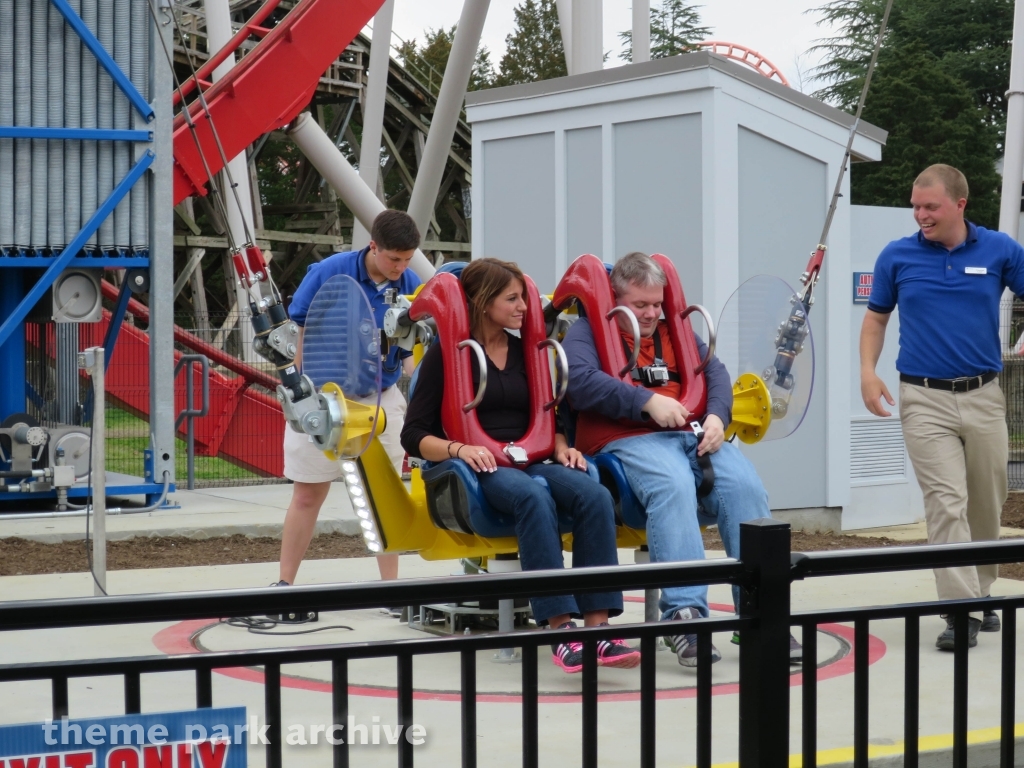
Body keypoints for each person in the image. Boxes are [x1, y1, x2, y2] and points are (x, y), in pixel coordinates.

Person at [400, 257, 640, 674]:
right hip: (483, 468)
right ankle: (561, 630)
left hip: (535, 458)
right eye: (512, 299)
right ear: (481, 302)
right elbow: (413, 434)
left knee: (593, 495)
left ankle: (599, 630)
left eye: (522, 298)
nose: (524, 308)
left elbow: (553, 416)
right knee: (532, 498)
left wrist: (563, 445)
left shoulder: (528, 352)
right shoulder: (445, 356)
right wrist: (458, 449)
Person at [563, 251, 800, 667]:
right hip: (628, 437)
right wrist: (645, 401)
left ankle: (762, 608)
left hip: (690, 433)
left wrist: (717, 416)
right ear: (615, 299)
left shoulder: (678, 330)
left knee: (745, 486)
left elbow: (715, 374)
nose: (652, 313)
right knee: (671, 483)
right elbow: (579, 383)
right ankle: (684, 617)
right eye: (640, 305)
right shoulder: (586, 332)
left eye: (657, 303)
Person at [860, 164, 1024, 651]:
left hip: (983, 396)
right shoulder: (897, 255)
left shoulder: (1000, 250)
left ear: (960, 204)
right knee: (946, 503)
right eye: (916, 206)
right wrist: (868, 373)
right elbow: (875, 320)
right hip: (923, 397)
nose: (920, 215)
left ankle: (981, 590)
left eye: (930, 207)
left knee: (986, 503)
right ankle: (961, 610)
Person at [277, 210, 422, 591]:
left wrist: (420, 380)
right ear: (373, 246)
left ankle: (391, 588)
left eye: (407, 259)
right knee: (308, 493)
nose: (401, 267)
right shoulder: (328, 271)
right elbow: (297, 328)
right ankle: (283, 584)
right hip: (323, 400)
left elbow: (410, 349)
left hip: (380, 399)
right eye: (394, 258)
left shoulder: (410, 282)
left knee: (384, 495)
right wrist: (296, 388)